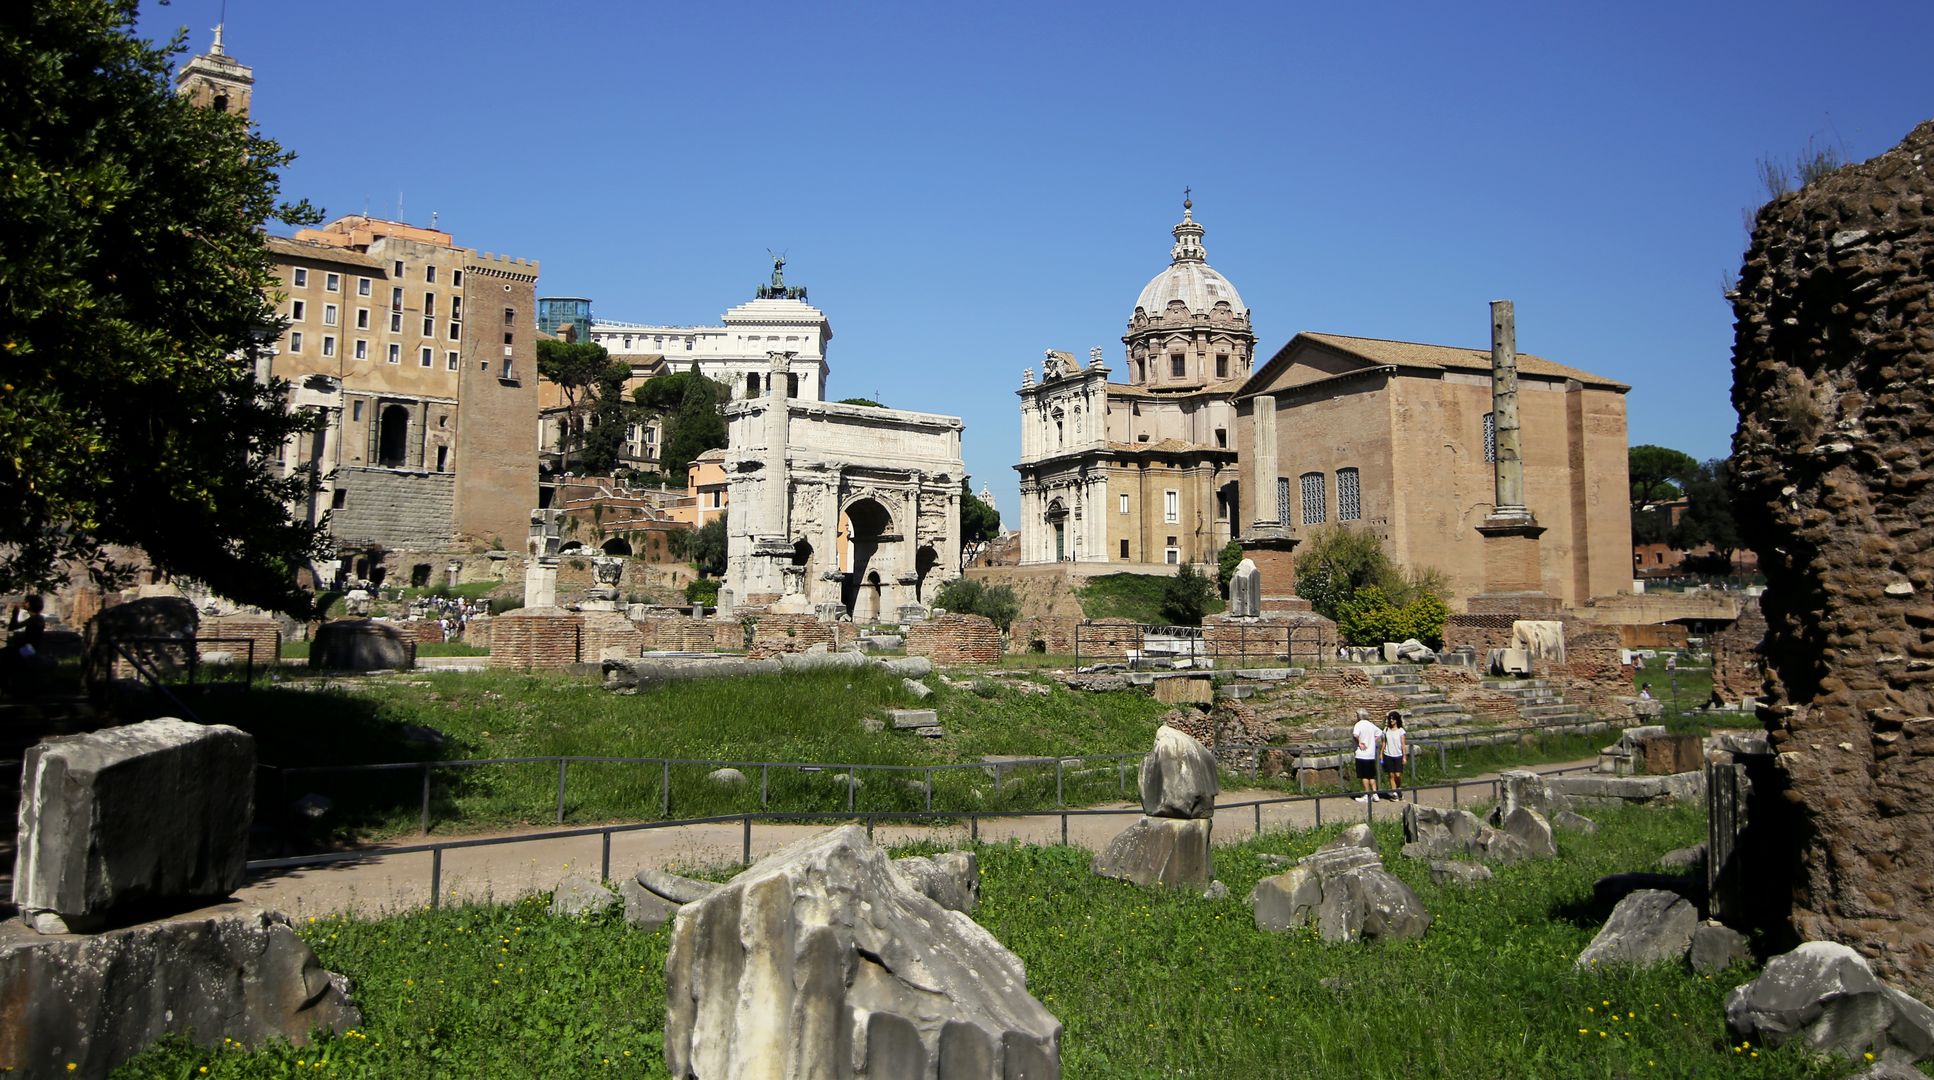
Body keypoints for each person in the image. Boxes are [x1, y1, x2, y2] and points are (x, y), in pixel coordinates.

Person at [2, 595, 47, 693]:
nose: (24, 603)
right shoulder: (37, 618)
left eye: (26, 601)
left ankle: (6, 687)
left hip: (29, 650)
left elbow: (12, 627)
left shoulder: (35, 619)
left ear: (31, 604)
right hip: (29, 648)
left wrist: (15, 614)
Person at [1351, 708, 1381, 803]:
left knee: (1364, 776)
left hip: (1361, 753)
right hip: (1371, 753)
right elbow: (1379, 733)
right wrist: (1372, 741)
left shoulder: (1358, 725)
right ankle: (1375, 794)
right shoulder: (1371, 725)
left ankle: (1367, 794)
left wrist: (1360, 742)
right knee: (1371, 775)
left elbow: (1355, 735)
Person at [1381, 711, 1407, 801]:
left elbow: (1403, 744)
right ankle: (1394, 793)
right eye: (1390, 719)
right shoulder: (1386, 730)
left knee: (1397, 775)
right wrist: (1381, 754)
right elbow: (1384, 742)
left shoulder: (1401, 731)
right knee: (1391, 775)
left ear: (1396, 720)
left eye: (1393, 719)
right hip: (1388, 754)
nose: (1391, 720)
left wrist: (1404, 756)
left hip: (1398, 755)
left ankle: (1398, 788)